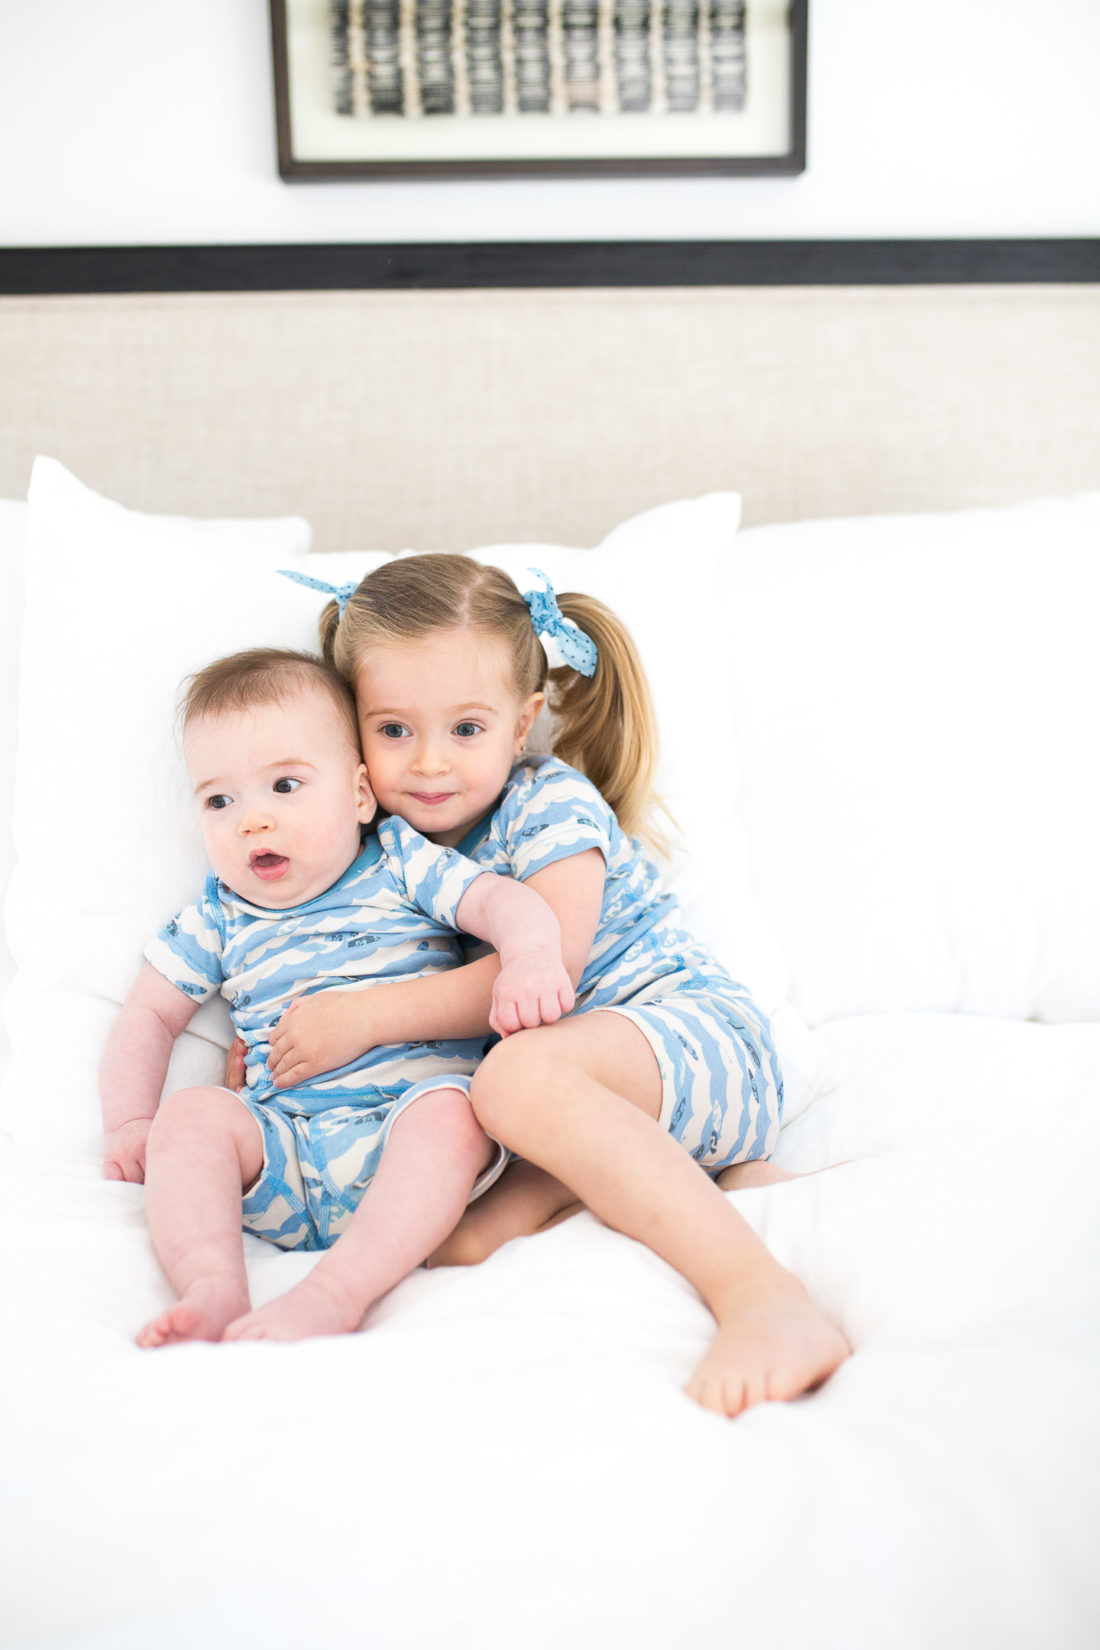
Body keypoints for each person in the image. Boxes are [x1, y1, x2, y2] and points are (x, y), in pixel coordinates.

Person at [266, 558, 851, 1417]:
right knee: (455, 1236)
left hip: (693, 1036)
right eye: (393, 731)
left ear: (523, 722)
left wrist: (363, 1019)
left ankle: (765, 1298)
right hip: (600, 1085)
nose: (429, 763)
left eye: (466, 728)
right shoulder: (378, 849)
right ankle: (705, 1177)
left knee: (516, 1077)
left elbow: (547, 974)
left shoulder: (549, 807)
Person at [99, 646, 574, 1348]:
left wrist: (531, 957)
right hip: (282, 1154)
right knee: (193, 1116)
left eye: (284, 786)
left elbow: (502, 900)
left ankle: (336, 1292)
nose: (250, 820)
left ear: (357, 795)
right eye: (219, 800)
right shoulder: (218, 912)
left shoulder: (400, 860)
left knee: (453, 1113)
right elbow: (147, 1014)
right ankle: (212, 1284)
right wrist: (132, 1124)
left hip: (403, 1139)